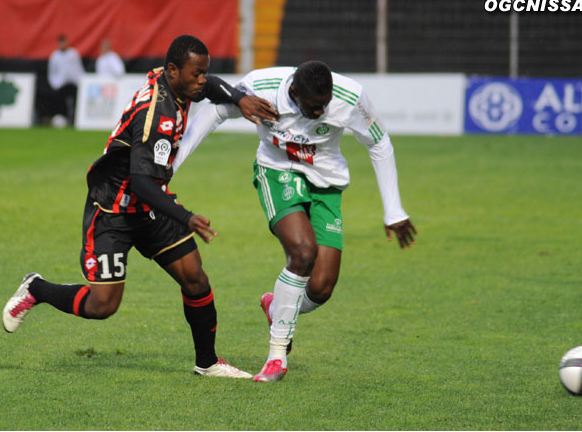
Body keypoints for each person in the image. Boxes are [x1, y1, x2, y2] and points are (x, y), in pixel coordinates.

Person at [2, 35, 279, 378]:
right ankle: (36, 288)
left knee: (195, 278)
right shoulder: (156, 114)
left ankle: (207, 363)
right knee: (103, 306)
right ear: (175, 71)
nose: (202, 80)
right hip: (113, 210)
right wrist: (186, 216)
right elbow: (142, 184)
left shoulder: (176, 81)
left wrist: (240, 98)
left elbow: (210, 87)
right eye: (196, 74)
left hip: (147, 207)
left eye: (203, 72)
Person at [173, 61, 417, 382]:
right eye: (313, 107)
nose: (320, 113)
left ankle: (276, 308)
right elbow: (215, 111)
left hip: (326, 184)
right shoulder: (263, 87)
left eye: (324, 106)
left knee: (321, 288)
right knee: (303, 252)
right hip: (277, 171)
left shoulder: (350, 97)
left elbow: (379, 142)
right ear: (293, 93)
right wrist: (171, 168)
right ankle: (277, 356)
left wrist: (394, 210)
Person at [47, 34, 85, 125]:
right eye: (60, 43)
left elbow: (79, 68)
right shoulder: (55, 56)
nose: (62, 45)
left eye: (64, 42)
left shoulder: (73, 53)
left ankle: (74, 121)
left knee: (76, 103)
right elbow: (51, 72)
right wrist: (55, 84)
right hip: (61, 85)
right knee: (61, 104)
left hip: (74, 83)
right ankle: (63, 120)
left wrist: (81, 80)